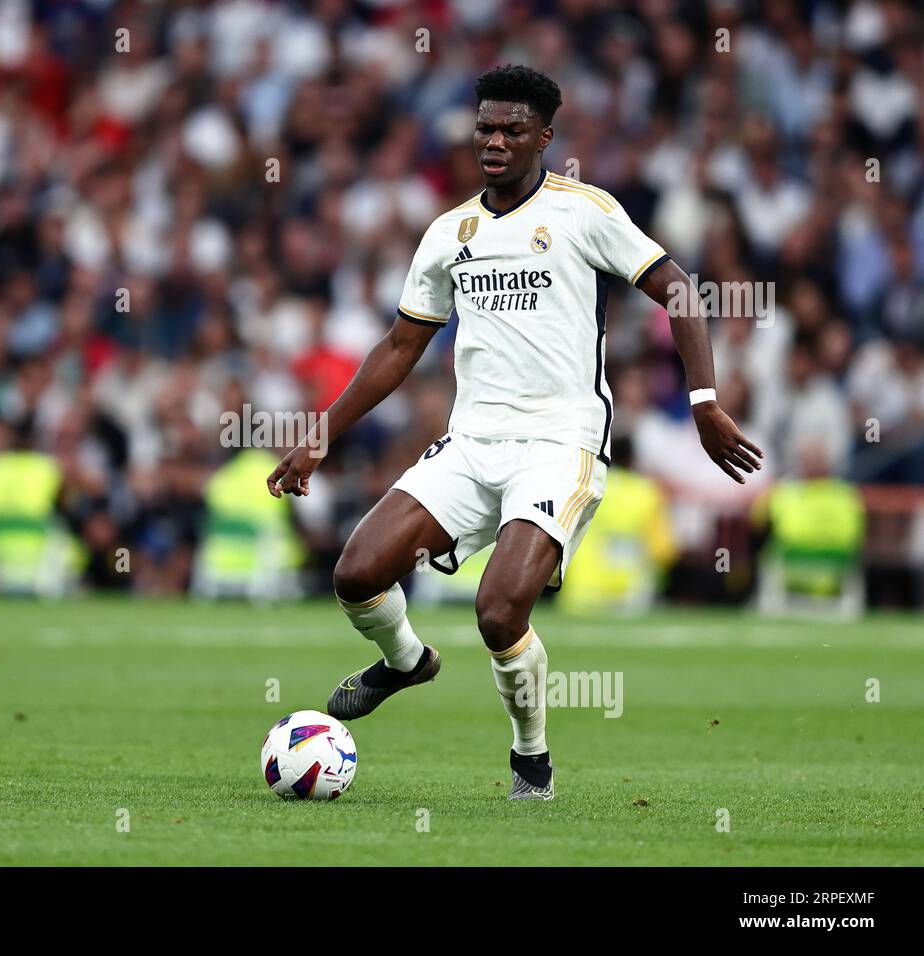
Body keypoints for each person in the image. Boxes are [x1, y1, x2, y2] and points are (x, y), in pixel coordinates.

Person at [266, 65, 763, 800]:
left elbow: (679, 289)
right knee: (356, 572)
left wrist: (703, 401)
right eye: (484, 129)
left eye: (511, 130)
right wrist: (321, 433)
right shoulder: (448, 233)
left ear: (544, 137)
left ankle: (531, 757)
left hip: (561, 443)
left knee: (499, 610)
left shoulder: (585, 212)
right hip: (472, 442)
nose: (494, 141)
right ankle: (406, 661)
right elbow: (401, 346)